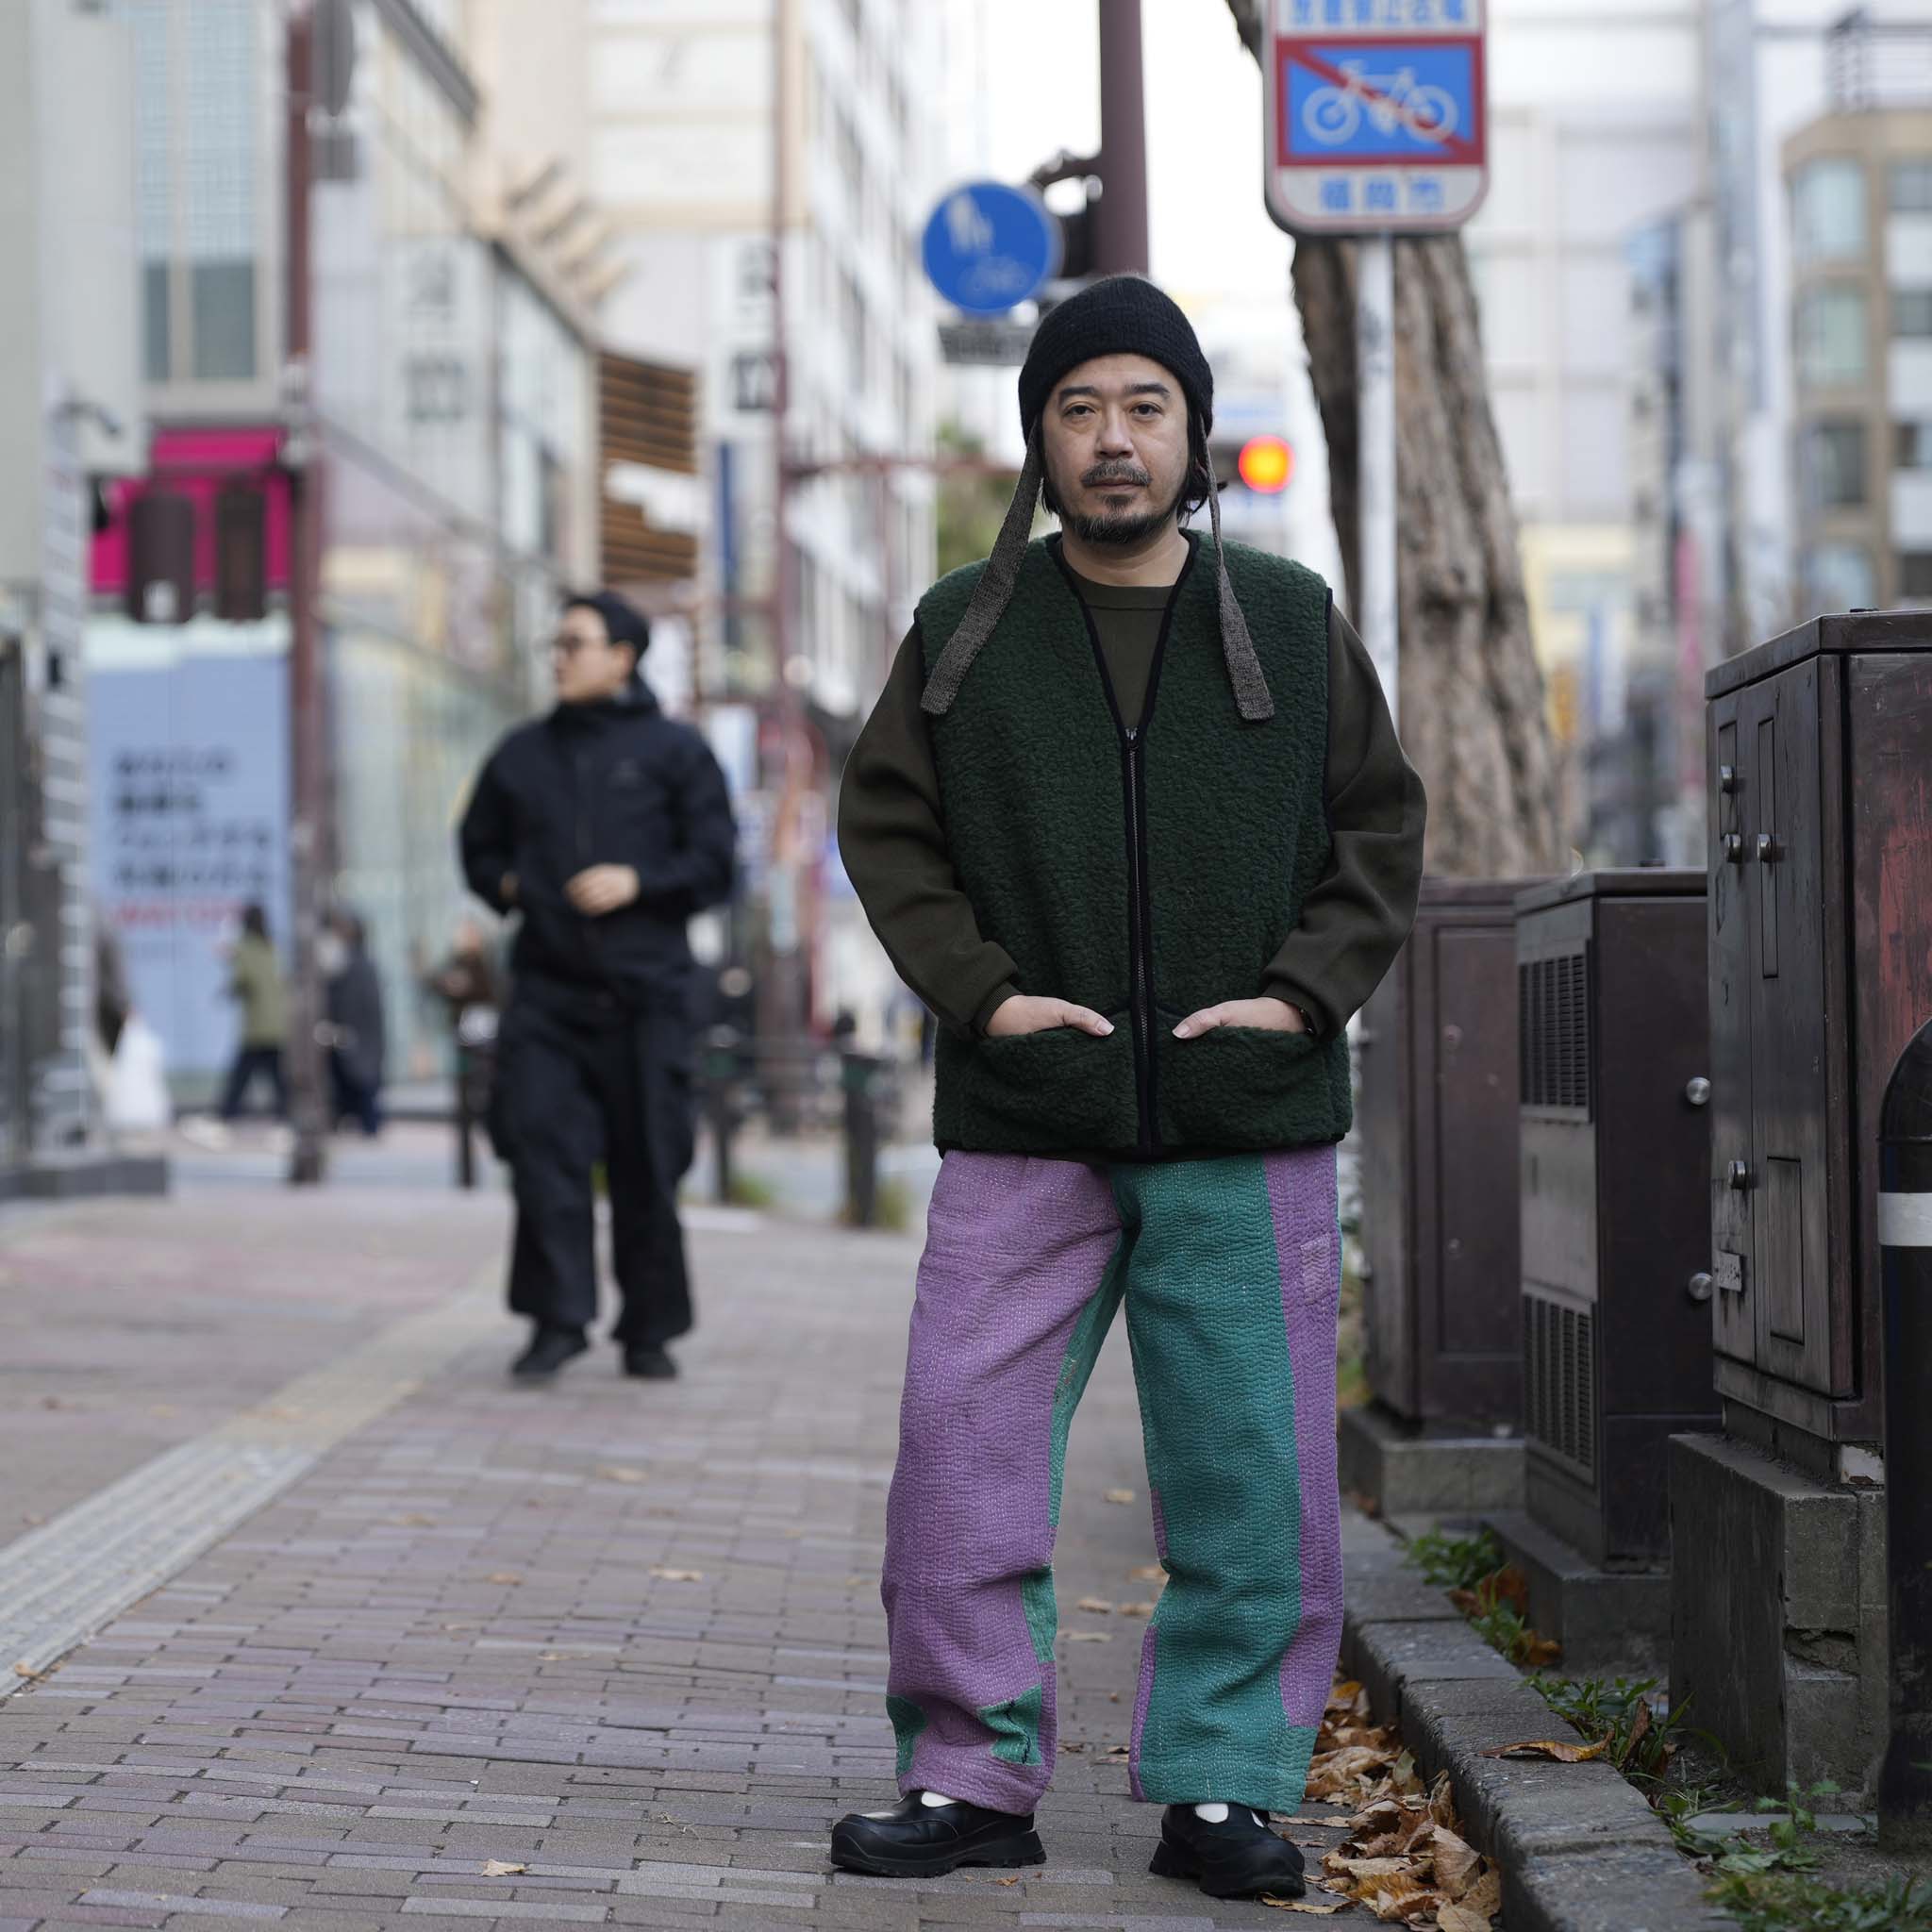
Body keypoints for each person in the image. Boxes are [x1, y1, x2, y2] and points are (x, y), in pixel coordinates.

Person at [830, 276, 1427, 1901]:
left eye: (1142, 407)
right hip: (1027, 1111)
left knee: (1252, 1464)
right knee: (959, 1444)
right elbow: (887, 828)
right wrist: (984, 995)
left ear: (1188, 433)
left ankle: (1224, 1784)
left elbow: (1378, 829)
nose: (1111, 439)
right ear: (1039, 432)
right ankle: (967, 1773)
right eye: (1080, 407)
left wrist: (1295, 999)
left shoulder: (1289, 622)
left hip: (1243, 1117)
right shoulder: (963, 626)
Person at [458, 590, 736, 1383]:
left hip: (647, 997)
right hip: (546, 993)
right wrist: (509, 886)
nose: (558, 655)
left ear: (622, 656)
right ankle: (557, 1321)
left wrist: (637, 881)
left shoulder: (675, 752)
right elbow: (476, 847)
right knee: (542, 1154)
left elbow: (716, 864)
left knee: (649, 1162)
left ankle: (648, 1331)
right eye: (556, 642)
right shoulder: (520, 754)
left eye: (574, 642)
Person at [217, 904, 289, 1121]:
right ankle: (288, 1115)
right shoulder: (272, 947)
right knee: (278, 1079)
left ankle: (226, 1115)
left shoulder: (245, 949)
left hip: (257, 1027)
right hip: (278, 1024)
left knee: (241, 1076)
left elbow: (241, 980)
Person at [323, 910, 387, 1138]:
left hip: (356, 1035)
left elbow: (348, 1002)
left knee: (362, 1086)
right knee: (355, 1084)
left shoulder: (354, 965)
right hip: (357, 1035)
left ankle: (370, 1127)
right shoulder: (359, 963)